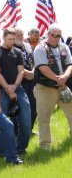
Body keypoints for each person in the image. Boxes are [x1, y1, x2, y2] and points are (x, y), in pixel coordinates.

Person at [0, 28, 31, 156]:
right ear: (4, 38)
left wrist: (14, 86)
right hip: (2, 90)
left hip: (17, 88)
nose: (12, 42)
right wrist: (8, 89)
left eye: (14, 39)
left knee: (26, 120)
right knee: (2, 122)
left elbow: (21, 71)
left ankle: (20, 148)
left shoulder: (18, 52)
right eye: (10, 39)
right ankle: (2, 152)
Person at [33, 23, 72, 151]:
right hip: (45, 87)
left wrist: (65, 77)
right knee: (44, 117)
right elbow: (43, 68)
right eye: (53, 35)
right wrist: (58, 78)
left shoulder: (64, 47)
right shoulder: (40, 48)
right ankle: (45, 146)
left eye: (58, 36)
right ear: (48, 34)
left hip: (62, 86)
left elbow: (70, 64)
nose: (56, 38)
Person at [14, 28, 37, 135]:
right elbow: (13, 66)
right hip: (19, 83)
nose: (19, 36)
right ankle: (17, 132)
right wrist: (28, 73)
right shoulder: (11, 48)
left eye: (21, 34)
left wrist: (32, 72)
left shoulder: (27, 46)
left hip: (31, 82)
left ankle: (29, 130)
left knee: (33, 107)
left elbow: (33, 61)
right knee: (20, 109)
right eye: (17, 34)